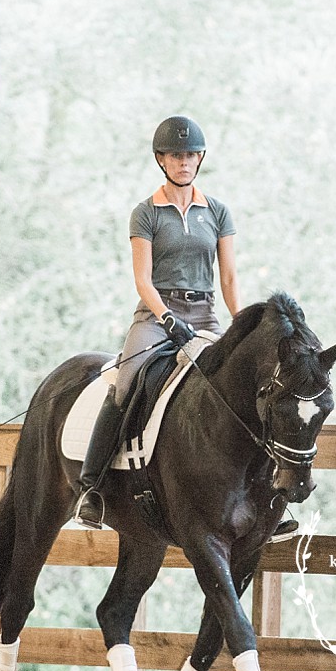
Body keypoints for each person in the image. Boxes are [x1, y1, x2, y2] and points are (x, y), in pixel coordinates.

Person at [74, 115, 240, 528]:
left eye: (190, 155)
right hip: (155, 312)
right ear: (161, 160)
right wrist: (166, 319)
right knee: (127, 381)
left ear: (200, 159)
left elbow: (230, 278)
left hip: (204, 312)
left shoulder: (218, 212)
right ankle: (91, 489)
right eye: (175, 155)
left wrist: (242, 324)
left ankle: (258, 491)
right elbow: (142, 279)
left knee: (235, 384)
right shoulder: (146, 213)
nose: (183, 162)